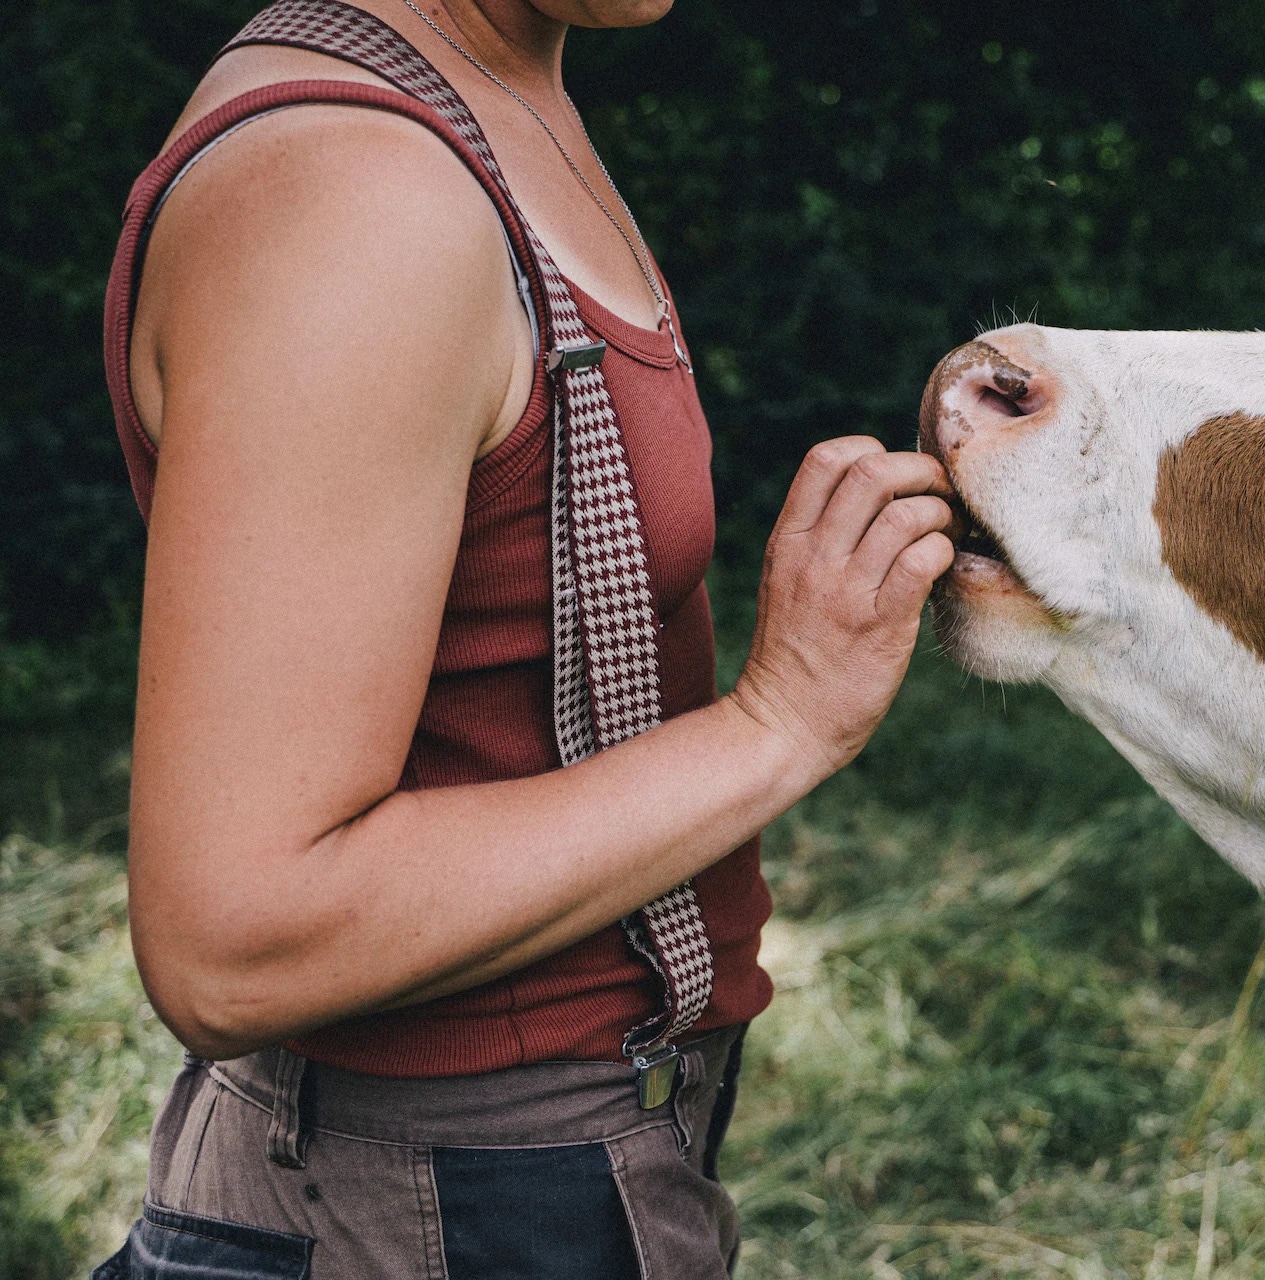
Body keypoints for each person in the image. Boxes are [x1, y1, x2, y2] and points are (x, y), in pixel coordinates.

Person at [94, 0, 957, 1276]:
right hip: (444, 1203)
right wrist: (784, 719)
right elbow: (238, 935)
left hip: (526, 1175)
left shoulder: (492, 88)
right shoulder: (354, 196)